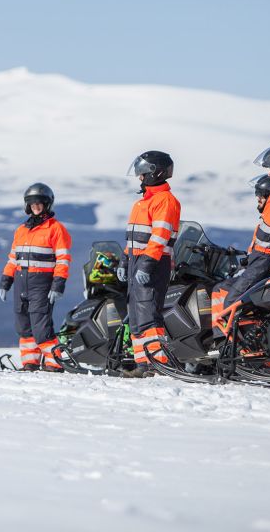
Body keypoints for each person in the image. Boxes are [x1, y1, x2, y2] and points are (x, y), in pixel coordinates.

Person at [211, 145, 270, 335]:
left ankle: (247, 354)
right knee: (224, 292)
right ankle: (223, 346)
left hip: (267, 260)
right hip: (257, 258)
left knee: (234, 302)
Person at [119, 151, 182, 378]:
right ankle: (143, 364)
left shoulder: (165, 201)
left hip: (154, 263)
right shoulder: (141, 203)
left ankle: (158, 364)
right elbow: (134, 239)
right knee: (136, 316)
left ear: (155, 173)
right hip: (138, 261)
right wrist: (125, 260)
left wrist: (146, 264)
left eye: (143, 174)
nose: (140, 178)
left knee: (148, 314)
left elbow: (159, 237)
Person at [0, 183, 72, 372]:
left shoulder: (56, 229)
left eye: (39, 203)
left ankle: (54, 363)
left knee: (41, 328)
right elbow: (13, 259)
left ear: (47, 204)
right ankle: (30, 362)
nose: (36, 207)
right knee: (23, 326)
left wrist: (58, 285)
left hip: (42, 284)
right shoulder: (21, 230)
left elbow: (63, 260)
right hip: (21, 282)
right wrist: (6, 281)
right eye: (32, 203)